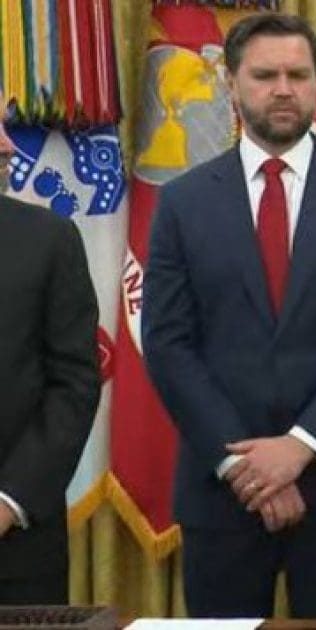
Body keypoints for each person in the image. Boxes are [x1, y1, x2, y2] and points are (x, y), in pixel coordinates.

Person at [142, 13, 316, 618]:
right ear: (231, 83)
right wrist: (245, 466)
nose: (283, 89)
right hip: (223, 492)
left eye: (298, 75)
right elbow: (167, 345)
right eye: (265, 76)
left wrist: (300, 446)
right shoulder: (182, 203)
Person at [0, 90, 101, 604]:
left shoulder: (50, 240)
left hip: (16, 547)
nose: (8, 148)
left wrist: (9, 500)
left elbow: (75, 383)